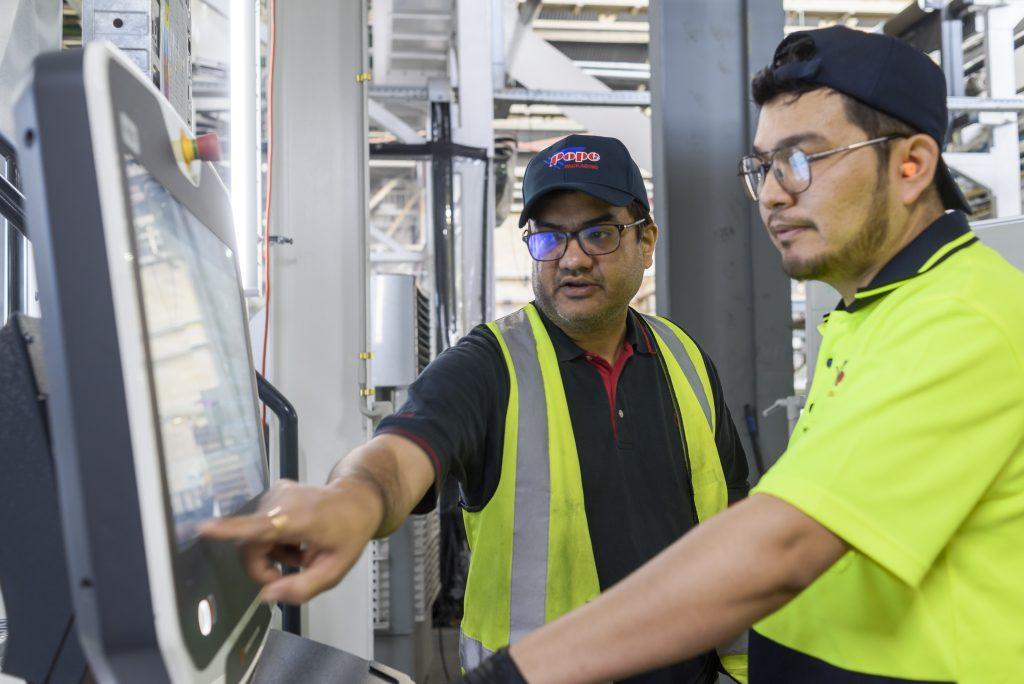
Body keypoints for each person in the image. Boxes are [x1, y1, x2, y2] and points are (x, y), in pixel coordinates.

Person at [456, 26, 1024, 684]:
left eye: (804, 159)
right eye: (765, 166)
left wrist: (514, 675)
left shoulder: (959, 318)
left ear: (912, 166)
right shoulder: (872, 315)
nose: (776, 193)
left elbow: (782, 545)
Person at [201, 134, 751, 683]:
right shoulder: (488, 366)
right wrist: (354, 499)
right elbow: (400, 452)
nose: (573, 259)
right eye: (549, 238)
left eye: (599, 233)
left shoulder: (686, 358)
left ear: (646, 241)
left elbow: (732, 510)